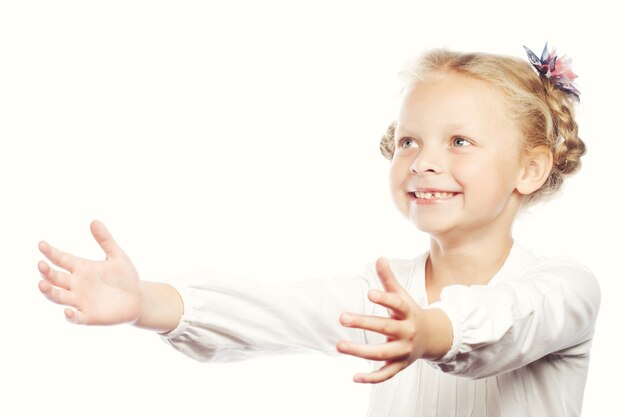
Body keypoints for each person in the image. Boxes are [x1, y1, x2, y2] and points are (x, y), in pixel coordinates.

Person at [36, 44, 600, 417]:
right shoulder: (383, 294)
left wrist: (432, 331)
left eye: (459, 141)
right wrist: (146, 302)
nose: (424, 161)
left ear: (530, 168)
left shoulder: (565, 287)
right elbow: (276, 310)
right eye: (409, 140)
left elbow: (515, 321)